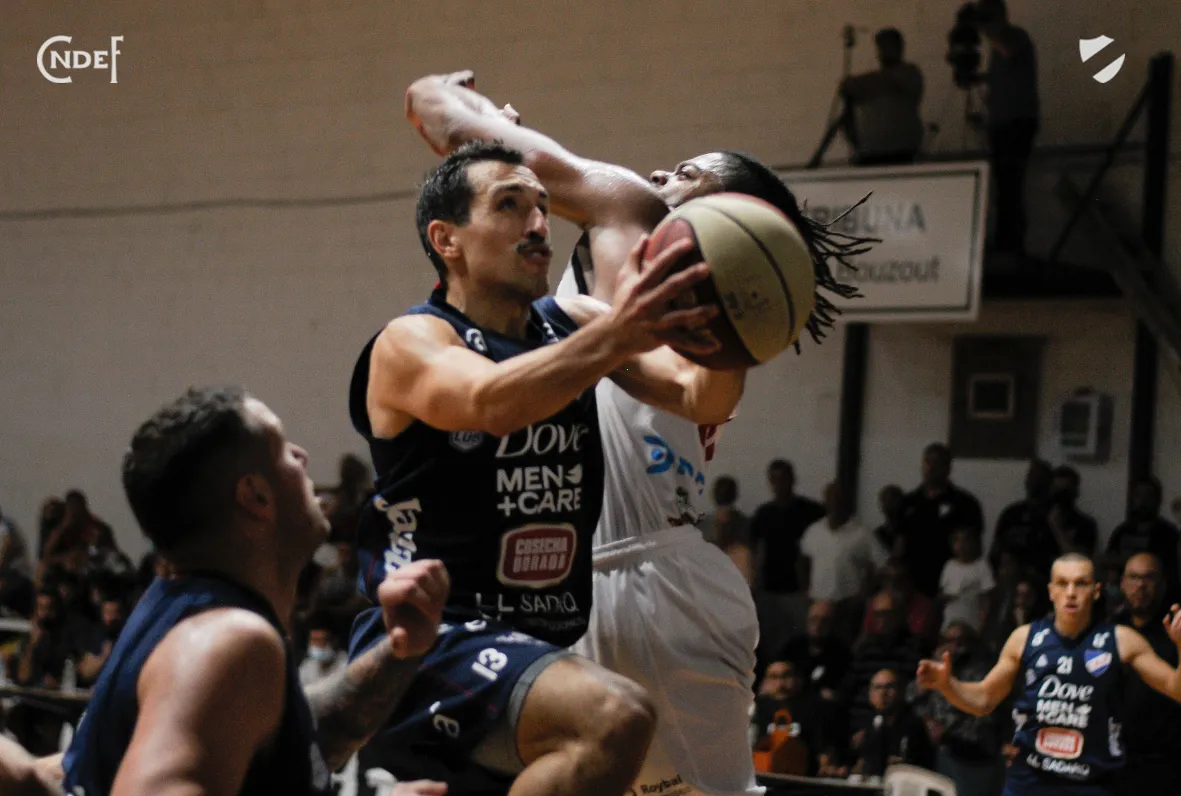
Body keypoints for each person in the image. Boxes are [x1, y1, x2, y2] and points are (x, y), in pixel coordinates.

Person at [404, 70, 871, 796]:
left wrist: (450, 97)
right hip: (563, 586)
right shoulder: (614, 307)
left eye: (687, 174)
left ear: (731, 218)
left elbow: (440, 117)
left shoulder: (631, 210)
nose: (660, 177)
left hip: (645, 579)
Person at [347, 139, 725, 796]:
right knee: (617, 717)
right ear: (446, 239)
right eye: (510, 205)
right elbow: (492, 402)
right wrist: (620, 332)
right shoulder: (413, 340)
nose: (538, 224)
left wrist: (735, 328)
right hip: (430, 644)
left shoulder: (573, 321)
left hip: (534, 652)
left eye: (544, 206)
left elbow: (701, 396)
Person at [61, 386, 449, 796]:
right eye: (283, 447)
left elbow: (284, 747)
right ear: (257, 497)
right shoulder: (227, 642)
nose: (301, 455)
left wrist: (400, 650)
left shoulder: (181, 612)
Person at [917, 553, 1181, 795]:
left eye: (1081, 584)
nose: (1071, 593)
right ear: (1051, 591)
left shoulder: (1122, 640)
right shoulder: (1024, 638)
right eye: (1062, 584)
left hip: (1093, 783)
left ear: (1096, 591)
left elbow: (1175, 688)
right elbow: (984, 700)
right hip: (1030, 781)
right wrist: (947, 684)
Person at [839, 28, 925, 166]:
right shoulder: (867, 84)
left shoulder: (910, 73)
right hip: (870, 153)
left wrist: (855, 84)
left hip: (902, 153)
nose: (885, 51)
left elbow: (887, 81)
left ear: (899, 47)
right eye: (882, 47)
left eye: (889, 46)